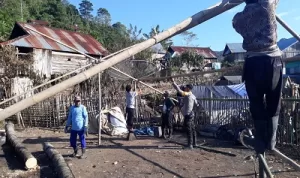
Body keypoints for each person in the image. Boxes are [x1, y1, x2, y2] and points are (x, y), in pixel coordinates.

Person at [232, 0, 282, 154]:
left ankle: (260, 140)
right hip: (271, 61)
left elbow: (235, 23)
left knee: (256, 102)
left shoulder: (237, 19)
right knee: (274, 100)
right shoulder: (266, 5)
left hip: (252, 63)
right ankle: (271, 140)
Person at [170, 78, 199, 149]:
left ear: (188, 88)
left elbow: (179, 91)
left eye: (186, 87)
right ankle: (194, 143)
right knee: (192, 129)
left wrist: (173, 82)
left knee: (188, 129)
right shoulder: (193, 95)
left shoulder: (187, 94)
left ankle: (190, 145)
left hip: (188, 115)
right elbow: (197, 104)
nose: (185, 88)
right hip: (191, 114)